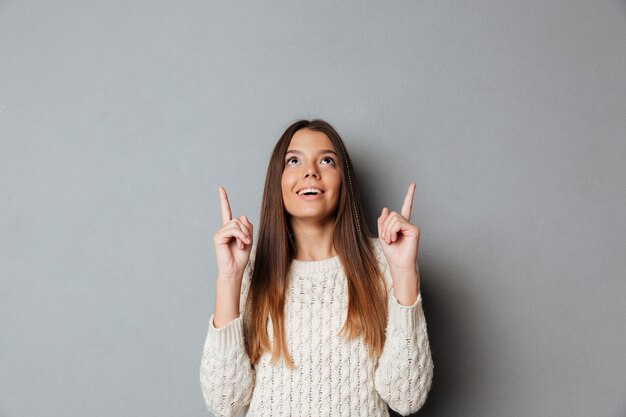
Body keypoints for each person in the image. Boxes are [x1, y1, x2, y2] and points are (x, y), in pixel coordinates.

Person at [199, 119, 434, 417]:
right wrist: (229, 279)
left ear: (343, 181)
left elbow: (407, 397)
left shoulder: (382, 263)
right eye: (294, 160)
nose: (310, 171)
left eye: (326, 160)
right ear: (278, 181)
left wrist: (404, 273)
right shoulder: (249, 268)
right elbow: (225, 401)